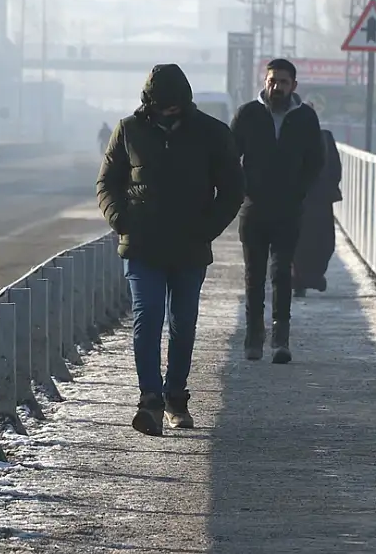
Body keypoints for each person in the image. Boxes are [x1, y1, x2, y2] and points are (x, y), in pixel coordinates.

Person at [95, 64, 244, 436]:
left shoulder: (212, 133)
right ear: (149, 102)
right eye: (163, 106)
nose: (169, 112)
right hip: (142, 246)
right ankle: (150, 401)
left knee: (183, 323)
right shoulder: (129, 130)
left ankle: (176, 395)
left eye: (175, 106)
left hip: (190, 247)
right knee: (147, 320)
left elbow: (232, 190)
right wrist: (119, 220)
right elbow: (107, 182)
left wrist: (207, 229)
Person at [230, 58, 324, 364]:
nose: (277, 87)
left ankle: (280, 339)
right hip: (253, 209)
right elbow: (230, 156)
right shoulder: (248, 114)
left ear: (293, 86)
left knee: (282, 273)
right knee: (253, 276)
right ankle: (253, 338)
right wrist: (244, 188)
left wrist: (299, 191)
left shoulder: (305, 118)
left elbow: (316, 160)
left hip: (288, 210)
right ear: (265, 81)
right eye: (272, 81)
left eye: (283, 82)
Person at [292, 126, 342, 297]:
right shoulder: (324, 137)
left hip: (308, 198)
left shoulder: (286, 135)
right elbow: (335, 168)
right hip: (309, 198)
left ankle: (305, 277)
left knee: (313, 240)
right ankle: (307, 277)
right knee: (317, 239)